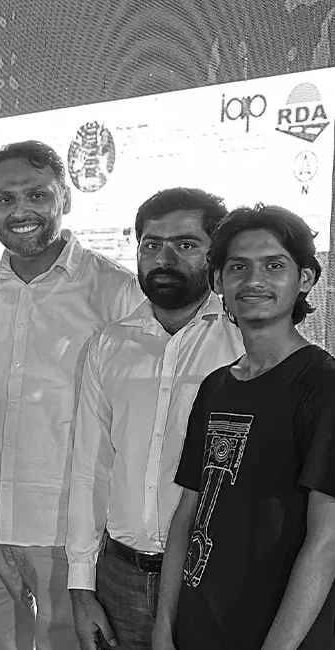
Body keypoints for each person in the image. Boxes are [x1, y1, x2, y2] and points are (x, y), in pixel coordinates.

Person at [0, 140, 143, 650]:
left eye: (37, 195)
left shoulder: (116, 294)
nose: (21, 211)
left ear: (66, 198)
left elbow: (133, 423)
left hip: (70, 536)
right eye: (5, 199)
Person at [65, 188, 243, 650]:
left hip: (214, 581)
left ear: (215, 255)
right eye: (151, 244)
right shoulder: (110, 345)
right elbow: (91, 467)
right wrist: (82, 587)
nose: (164, 258)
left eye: (185, 245)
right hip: (118, 578)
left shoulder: (244, 344)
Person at [153, 205, 335, 650]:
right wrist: (164, 625)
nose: (254, 280)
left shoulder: (322, 384)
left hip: (279, 633)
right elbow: (187, 514)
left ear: (305, 280)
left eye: (275, 265)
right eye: (238, 267)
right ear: (218, 282)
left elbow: (327, 539)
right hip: (199, 625)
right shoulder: (218, 385)